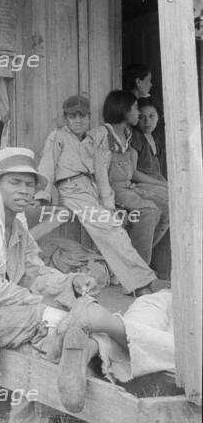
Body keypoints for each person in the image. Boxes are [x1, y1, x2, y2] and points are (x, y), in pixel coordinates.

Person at [0, 146, 134, 423]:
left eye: (29, 184)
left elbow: (34, 270)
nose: (24, 191)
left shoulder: (16, 224)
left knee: (57, 315)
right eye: (14, 183)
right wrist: (39, 306)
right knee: (49, 318)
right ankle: (111, 345)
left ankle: (52, 393)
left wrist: (70, 281)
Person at [36, 95, 160, 296]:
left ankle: (134, 281)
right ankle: (144, 282)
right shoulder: (58, 136)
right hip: (71, 188)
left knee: (115, 228)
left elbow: (101, 172)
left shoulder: (94, 140)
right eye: (73, 116)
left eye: (82, 116)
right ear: (65, 118)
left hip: (91, 189)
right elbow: (47, 166)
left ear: (89, 118)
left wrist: (108, 202)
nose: (78, 120)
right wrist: (42, 194)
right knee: (111, 229)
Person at [93, 91, 169, 271]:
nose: (138, 113)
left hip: (129, 187)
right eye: (135, 108)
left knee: (168, 204)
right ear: (123, 110)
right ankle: (137, 272)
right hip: (113, 190)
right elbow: (100, 171)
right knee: (149, 211)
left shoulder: (127, 134)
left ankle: (137, 259)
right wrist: (107, 201)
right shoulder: (103, 134)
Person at [124, 63, 167, 177]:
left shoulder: (142, 102)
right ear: (138, 82)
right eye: (148, 80)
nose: (151, 84)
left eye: (152, 116)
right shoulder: (128, 106)